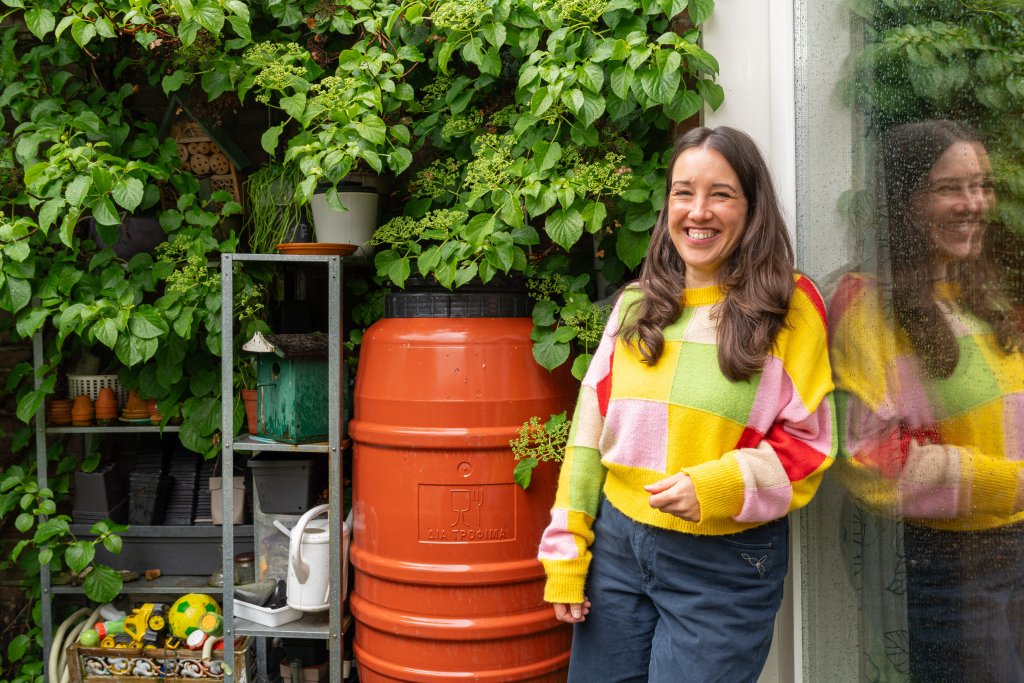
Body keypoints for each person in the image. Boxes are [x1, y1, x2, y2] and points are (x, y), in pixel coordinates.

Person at [537, 126, 837, 682]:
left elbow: (810, 445)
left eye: (721, 194)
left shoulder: (790, 308)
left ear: (752, 208)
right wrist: (566, 551)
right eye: (683, 192)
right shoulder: (634, 305)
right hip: (618, 552)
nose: (698, 211)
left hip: (722, 565)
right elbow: (586, 438)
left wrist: (717, 486)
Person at [829, 119, 1024, 681]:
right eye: (950, 188)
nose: (974, 203)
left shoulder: (982, 293)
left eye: (982, 185)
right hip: (951, 570)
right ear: (905, 200)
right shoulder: (865, 304)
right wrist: (1009, 483)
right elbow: (870, 456)